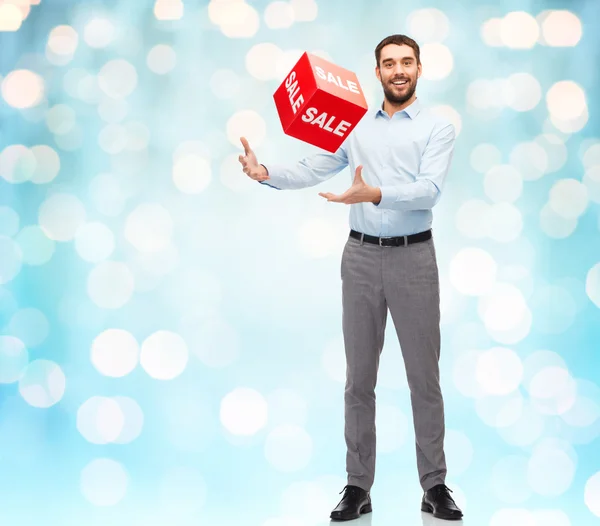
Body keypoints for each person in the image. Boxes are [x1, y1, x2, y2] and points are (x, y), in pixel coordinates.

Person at [238, 34, 463, 522]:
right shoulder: (355, 123)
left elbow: (428, 191)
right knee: (359, 379)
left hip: (414, 259)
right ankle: (357, 486)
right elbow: (315, 165)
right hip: (360, 259)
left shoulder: (437, 127)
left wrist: (373, 193)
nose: (398, 70)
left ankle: (435, 485)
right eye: (389, 63)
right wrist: (264, 172)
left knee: (424, 378)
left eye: (406, 62)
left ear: (419, 69)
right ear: (377, 71)